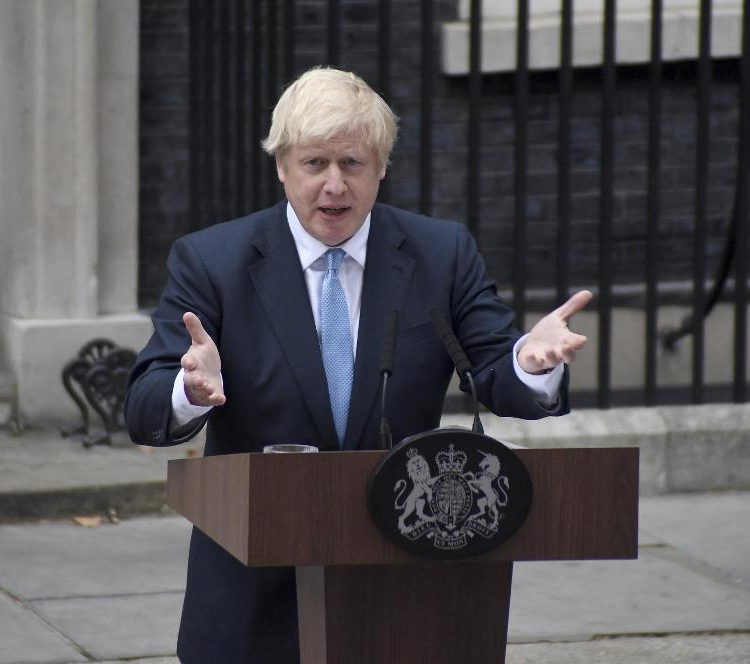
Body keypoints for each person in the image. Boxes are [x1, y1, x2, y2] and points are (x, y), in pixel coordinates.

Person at [125, 66, 591, 664]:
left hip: (407, 574)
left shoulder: (440, 253)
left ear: (381, 168)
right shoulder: (212, 261)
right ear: (282, 166)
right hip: (256, 580)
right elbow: (143, 408)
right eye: (315, 163)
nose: (334, 186)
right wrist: (188, 391)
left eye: (353, 164)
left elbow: (499, 374)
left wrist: (530, 362)